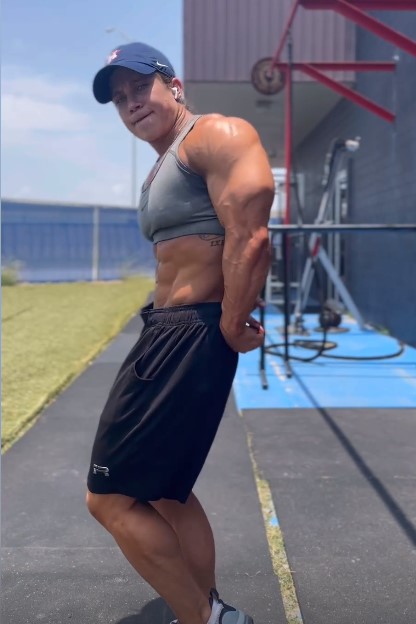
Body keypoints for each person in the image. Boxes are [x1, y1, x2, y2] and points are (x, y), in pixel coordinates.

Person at [86, 42, 275, 624]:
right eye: (119, 98)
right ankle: (206, 607)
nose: (130, 103)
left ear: (174, 85)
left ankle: (203, 617)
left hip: (190, 333)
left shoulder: (214, 134)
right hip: (168, 328)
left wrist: (231, 318)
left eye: (139, 87)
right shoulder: (161, 165)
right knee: (165, 491)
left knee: (109, 498)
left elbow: (251, 233)